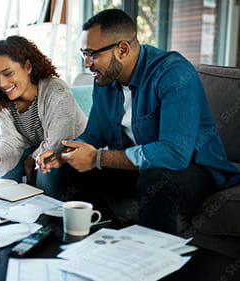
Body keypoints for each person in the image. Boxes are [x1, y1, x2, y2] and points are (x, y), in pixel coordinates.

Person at [37, 9, 240, 234]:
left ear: (122, 49)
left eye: (92, 54)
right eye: (83, 54)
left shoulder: (173, 74)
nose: (86, 63)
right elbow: (94, 135)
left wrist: (97, 158)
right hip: (137, 168)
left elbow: (174, 154)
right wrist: (65, 154)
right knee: (61, 172)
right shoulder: (106, 78)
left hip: (193, 169)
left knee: (157, 179)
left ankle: (150, 261)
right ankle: (106, 235)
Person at [0, 35, 87, 199]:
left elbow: (58, 141)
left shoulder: (56, 90)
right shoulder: (6, 101)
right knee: (5, 177)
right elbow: (10, 140)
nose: (2, 84)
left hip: (69, 151)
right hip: (38, 150)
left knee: (45, 170)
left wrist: (30, 162)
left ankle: (47, 215)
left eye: (8, 73)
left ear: (28, 66)